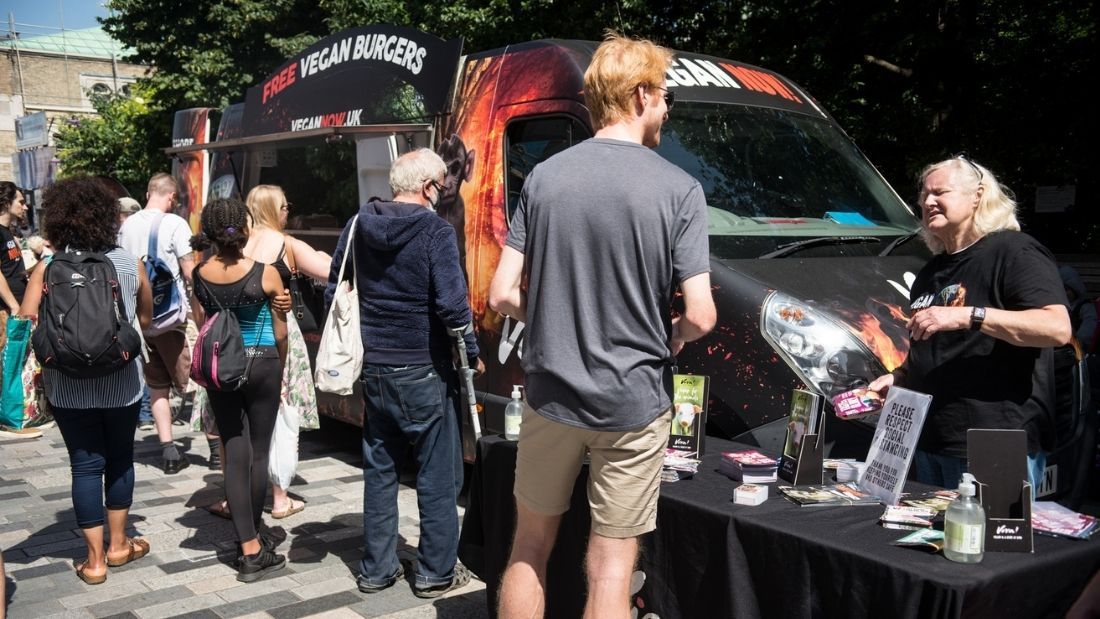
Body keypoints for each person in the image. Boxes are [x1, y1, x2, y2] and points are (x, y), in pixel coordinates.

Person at [489, 34, 716, 619]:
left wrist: (553, 315)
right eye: (665, 96)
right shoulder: (679, 189)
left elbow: (501, 294)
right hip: (633, 401)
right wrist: (674, 337)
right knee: (613, 565)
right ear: (641, 95)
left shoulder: (542, 178)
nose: (666, 109)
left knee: (529, 546)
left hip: (551, 396)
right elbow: (700, 315)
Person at [327, 148, 481, 598]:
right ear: (427, 186)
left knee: (380, 470)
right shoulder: (434, 230)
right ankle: (435, 572)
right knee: (437, 474)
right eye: (442, 186)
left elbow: (336, 282)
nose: (443, 194)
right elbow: (453, 306)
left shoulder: (359, 224)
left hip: (374, 367)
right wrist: (470, 352)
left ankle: (377, 569)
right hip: (423, 366)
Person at [868, 155, 1071, 490]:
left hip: (994, 444)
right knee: (926, 542)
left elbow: (1057, 328)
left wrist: (967, 314)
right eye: (922, 198)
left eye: (940, 193)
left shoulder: (1014, 251)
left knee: (989, 543)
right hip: (926, 441)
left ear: (977, 196)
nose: (927, 202)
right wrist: (900, 377)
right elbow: (934, 350)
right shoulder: (930, 272)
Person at [19, 176, 154, 585]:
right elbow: (143, 320)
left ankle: (93, 562)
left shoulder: (47, 266)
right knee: (119, 459)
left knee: (84, 466)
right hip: (123, 381)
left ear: (58, 220)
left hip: (67, 385)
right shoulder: (129, 264)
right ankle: (118, 546)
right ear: (107, 218)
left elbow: (26, 321)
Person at [203, 185, 330, 520]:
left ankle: (234, 500)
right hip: (272, 340)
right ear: (277, 209)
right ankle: (279, 498)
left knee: (232, 430)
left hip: (224, 346)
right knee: (276, 424)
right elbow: (328, 271)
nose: (288, 211)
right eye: (286, 206)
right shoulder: (285, 244)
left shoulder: (225, 252)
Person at [190, 197, 288, 582]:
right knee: (260, 453)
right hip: (262, 361)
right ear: (245, 229)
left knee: (234, 447)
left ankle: (247, 542)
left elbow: (204, 322)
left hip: (222, 366)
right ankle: (254, 543)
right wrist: (281, 364)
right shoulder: (266, 273)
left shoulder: (200, 275)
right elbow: (280, 330)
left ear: (210, 233)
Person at [118, 174, 194, 474]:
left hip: (139, 319)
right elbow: (189, 272)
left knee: (157, 386)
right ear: (172, 197)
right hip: (172, 318)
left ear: (148, 192)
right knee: (196, 382)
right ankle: (217, 450)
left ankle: (170, 452)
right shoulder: (176, 223)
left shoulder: (126, 227)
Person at [0, 182, 36, 439]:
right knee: (5, 364)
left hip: (15, 309)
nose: (24, 206)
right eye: (20, 201)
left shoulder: (7, 233)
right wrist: (13, 305)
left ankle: (12, 417)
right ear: (5, 202)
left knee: (13, 364)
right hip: (4, 311)